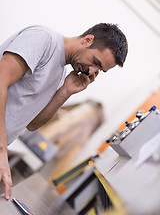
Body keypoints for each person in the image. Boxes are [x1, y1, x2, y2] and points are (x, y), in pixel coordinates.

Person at [0, 23, 128, 200]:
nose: (91, 71)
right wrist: (2, 150)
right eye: (95, 62)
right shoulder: (44, 40)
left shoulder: (60, 74)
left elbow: (32, 124)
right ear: (87, 40)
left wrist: (65, 91)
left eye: (100, 71)